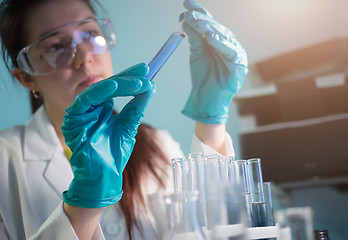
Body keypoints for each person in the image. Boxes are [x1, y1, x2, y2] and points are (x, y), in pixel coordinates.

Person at [0, 0, 248, 239]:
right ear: (26, 78)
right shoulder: (5, 159)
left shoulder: (157, 144)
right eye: (55, 46)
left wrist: (211, 119)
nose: (84, 57)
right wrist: (84, 206)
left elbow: (216, 227)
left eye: (90, 34)